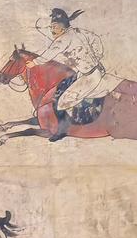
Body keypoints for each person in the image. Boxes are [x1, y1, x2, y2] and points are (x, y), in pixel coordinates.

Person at [32, 8, 120, 141]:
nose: (52, 30)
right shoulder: (77, 31)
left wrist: (34, 62)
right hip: (92, 71)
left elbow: (51, 52)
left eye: (54, 27)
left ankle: (62, 130)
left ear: (62, 27)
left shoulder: (63, 39)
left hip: (90, 77)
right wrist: (96, 57)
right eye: (51, 27)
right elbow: (95, 39)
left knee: (62, 102)